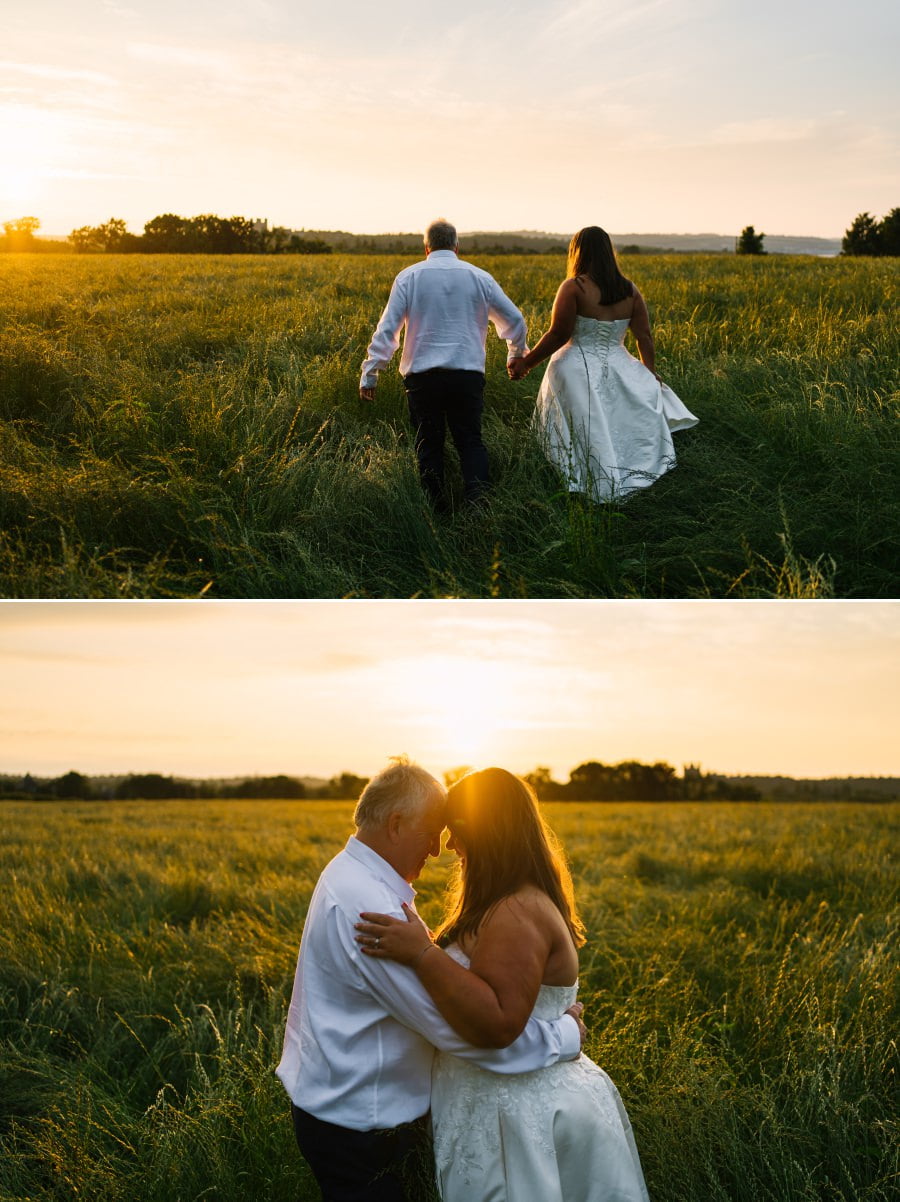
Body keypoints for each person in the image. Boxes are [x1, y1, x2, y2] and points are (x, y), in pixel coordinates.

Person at [275, 757, 584, 1202]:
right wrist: (564, 1035)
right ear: (397, 824)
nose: (441, 850)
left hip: (354, 1114)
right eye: (433, 832)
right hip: (362, 1128)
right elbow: (460, 1030)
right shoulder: (370, 909)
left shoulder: (352, 875)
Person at [356, 767, 651, 1202]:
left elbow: (497, 1024)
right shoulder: (503, 904)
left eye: (455, 831)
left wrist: (422, 953)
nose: (449, 846)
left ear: (487, 830)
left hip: (522, 1122)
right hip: (496, 1106)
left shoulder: (517, 912)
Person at [509, 226, 698, 503]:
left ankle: (583, 480)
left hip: (575, 367)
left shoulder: (574, 287)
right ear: (609, 252)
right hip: (619, 364)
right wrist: (649, 372)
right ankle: (626, 473)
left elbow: (558, 335)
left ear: (578, 252)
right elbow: (643, 336)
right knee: (614, 422)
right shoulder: (629, 290)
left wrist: (527, 362)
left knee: (582, 429)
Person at [359, 219, 528, 511]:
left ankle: (436, 514)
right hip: (467, 375)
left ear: (426, 247)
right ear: (456, 246)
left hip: (423, 378)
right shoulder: (480, 278)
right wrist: (515, 353)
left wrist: (371, 373)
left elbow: (387, 330)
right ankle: (478, 509)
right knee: (470, 442)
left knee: (429, 442)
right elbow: (515, 319)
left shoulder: (408, 277)